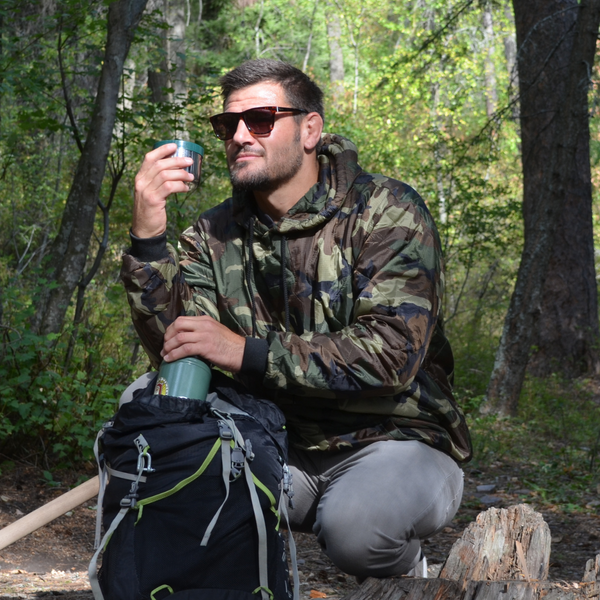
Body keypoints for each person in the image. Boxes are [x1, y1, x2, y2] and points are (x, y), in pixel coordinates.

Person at [121, 59, 472, 581]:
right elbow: (180, 352)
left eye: (260, 119)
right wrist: (149, 239)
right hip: (272, 442)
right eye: (227, 125)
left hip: (393, 441)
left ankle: (409, 580)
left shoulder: (384, 210)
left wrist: (245, 352)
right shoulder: (212, 234)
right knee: (145, 400)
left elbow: (393, 354)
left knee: (358, 527)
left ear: (310, 129)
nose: (240, 135)